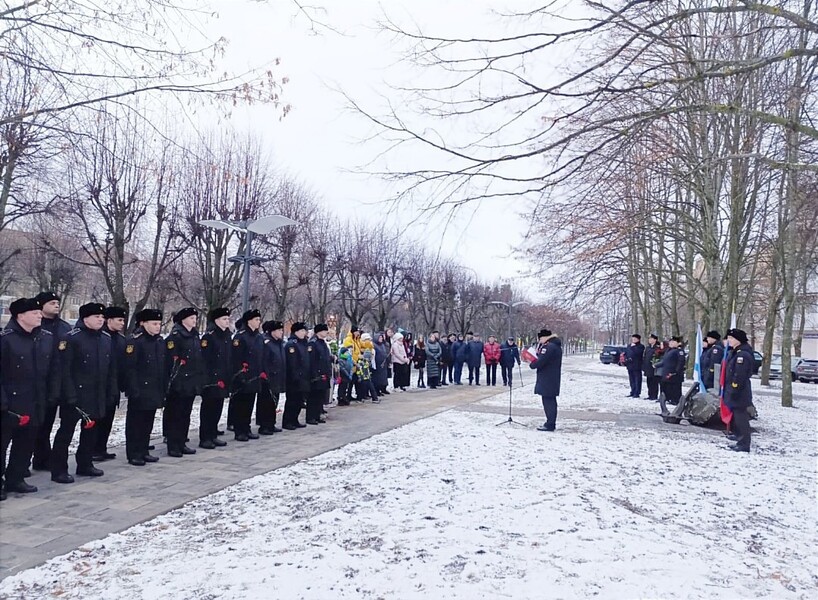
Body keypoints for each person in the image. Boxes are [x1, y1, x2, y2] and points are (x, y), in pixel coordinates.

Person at [51, 302, 117, 483]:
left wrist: (111, 390)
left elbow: (110, 368)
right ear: (85, 318)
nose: (100, 320)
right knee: (66, 433)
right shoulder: (71, 338)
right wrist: (69, 395)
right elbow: (64, 370)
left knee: (90, 432)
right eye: (96, 317)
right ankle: (59, 470)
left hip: (96, 393)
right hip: (75, 394)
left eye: (102, 317)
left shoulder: (105, 338)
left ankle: (85, 463)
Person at [1, 298, 55, 498]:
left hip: (35, 399)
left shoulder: (45, 338)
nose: (39, 315)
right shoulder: (5, 339)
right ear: (20, 316)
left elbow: (52, 369)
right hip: (10, 402)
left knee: (26, 443)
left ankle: (16, 479)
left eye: (39, 312)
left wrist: (51, 394)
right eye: (34, 313)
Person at [31, 291, 72, 472]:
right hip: (39, 380)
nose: (56, 305)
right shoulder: (35, 326)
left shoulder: (64, 327)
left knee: (48, 422)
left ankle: (43, 458)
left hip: (60, 379)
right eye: (52, 302)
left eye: (57, 302)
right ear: (41, 305)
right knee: (35, 424)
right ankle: (31, 460)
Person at [123, 309, 166, 466]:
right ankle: (134, 453)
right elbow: (130, 368)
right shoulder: (135, 341)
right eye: (154, 324)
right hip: (140, 389)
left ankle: (144, 450)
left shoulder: (159, 341)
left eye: (159, 324)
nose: (157, 327)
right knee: (136, 423)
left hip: (154, 388)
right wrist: (133, 389)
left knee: (148, 421)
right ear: (144, 323)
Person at [163, 307, 203, 457]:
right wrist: (175, 380)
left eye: (195, 318)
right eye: (191, 318)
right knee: (176, 414)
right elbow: (171, 361)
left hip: (191, 381)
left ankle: (181, 442)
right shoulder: (176, 336)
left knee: (186, 413)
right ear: (183, 319)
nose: (194, 320)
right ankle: (173, 445)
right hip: (179, 382)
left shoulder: (194, 335)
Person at [93, 306, 128, 462]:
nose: (122, 323)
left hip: (114, 385)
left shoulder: (121, 340)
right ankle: (93, 449)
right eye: (119, 320)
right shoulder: (101, 336)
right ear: (110, 320)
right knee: (98, 419)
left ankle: (102, 447)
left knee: (108, 419)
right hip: (100, 384)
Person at [198, 308, 232, 449]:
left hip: (223, 377)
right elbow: (205, 360)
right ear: (216, 320)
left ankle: (213, 435)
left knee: (217, 407)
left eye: (228, 319)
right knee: (208, 409)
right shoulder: (209, 336)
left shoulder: (227, 335)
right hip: (212, 379)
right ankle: (205, 437)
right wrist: (208, 379)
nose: (227, 321)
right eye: (224, 319)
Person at [230, 309, 264, 442]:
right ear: (249, 321)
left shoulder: (258, 336)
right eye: (256, 320)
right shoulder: (241, 336)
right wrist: (241, 375)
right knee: (241, 405)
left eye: (259, 319)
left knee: (250, 404)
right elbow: (236, 358)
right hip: (243, 376)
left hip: (255, 376)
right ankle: (240, 430)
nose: (258, 322)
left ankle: (246, 427)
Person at [525, 328, 563, 432]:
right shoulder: (555, 345)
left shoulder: (549, 347)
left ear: (544, 337)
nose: (539, 341)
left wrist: (531, 363)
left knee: (548, 401)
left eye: (540, 339)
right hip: (552, 378)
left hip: (547, 378)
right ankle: (550, 422)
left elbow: (541, 361)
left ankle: (550, 424)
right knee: (550, 400)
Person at [724, 328, 754, 453]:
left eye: (731, 338)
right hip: (735, 390)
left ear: (738, 340)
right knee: (737, 416)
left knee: (741, 417)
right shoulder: (736, 352)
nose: (729, 341)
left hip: (739, 391)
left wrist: (734, 388)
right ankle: (738, 436)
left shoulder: (743, 355)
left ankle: (743, 443)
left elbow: (740, 375)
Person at [258, 320, 286, 435]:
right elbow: (263, 360)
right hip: (268, 377)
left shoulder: (279, 343)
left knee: (275, 401)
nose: (281, 332)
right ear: (273, 331)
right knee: (266, 402)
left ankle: (271, 423)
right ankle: (264, 425)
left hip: (278, 376)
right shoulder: (267, 343)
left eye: (281, 330)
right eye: (279, 330)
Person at [283, 322, 310, 429]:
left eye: (305, 331)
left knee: (299, 400)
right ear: (296, 332)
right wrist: (295, 376)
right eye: (302, 331)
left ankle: (295, 419)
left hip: (303, 377)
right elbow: (292, 362)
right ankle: (288, 421)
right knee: (292, 400)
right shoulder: (291, 344)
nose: (304, 333)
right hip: (294, 378)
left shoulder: (304, 343)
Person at [307, 324, 332, 424]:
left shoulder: (323, 343)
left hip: (324, 373)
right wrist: (314, 374)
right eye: (325, 331)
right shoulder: (313, 343)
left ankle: (317, 415)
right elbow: (312, 360)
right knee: (313, 396)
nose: (327, 332)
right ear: (319, 332)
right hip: (317, 375)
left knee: (320, 396)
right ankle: (310, 417)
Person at [656, 336, 685, 405]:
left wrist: (676, 372)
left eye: (673, 342)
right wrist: (657, 365)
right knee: (667, 387)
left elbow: (681, 362)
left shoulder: (679, 351)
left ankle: (675, 400)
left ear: (678, 343)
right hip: (666, 372)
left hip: (674, 373)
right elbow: (665, 361)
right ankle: (667, 398)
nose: (671, 343)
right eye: (670, 342)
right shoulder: (668, 350)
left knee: (675, 388)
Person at [642, 334, 661, 401]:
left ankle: (654, 395)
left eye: (651, 339)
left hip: (654, 368)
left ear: (655, 340)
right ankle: (650, 395)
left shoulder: (657, 348)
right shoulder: (648, 347)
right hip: (648, 367)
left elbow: (658, 357)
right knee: (649, 382)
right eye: (649, 339)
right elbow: (645, 357)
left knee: (654, 382)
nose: (649, 340)